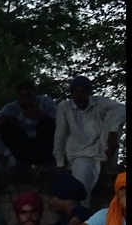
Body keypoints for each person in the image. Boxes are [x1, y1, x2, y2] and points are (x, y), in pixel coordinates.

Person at [53, 76, 126, 204]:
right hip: (79, 154)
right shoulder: (64, 107)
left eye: (82, 92)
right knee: (82, 184)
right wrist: (60, 163)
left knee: (114, 114)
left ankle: (109, 168)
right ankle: (81, 212)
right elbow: (60, 135)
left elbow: (121, 109)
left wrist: (113, 132)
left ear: (89, 93)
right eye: (75, 92)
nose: (79, 96)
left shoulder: (99, 103)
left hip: (102, 151)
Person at [0, 80, 57, 169]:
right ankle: (23, 163)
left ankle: (50, 161)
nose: (26, 99)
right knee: (6, 128)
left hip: (45, 142)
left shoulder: (45, 101)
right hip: (26, 144)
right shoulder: (11, 108)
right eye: (22, 96)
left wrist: (39, 115)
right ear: (17, 96)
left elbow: (59, 121)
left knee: (46, 123)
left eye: (29, 95)